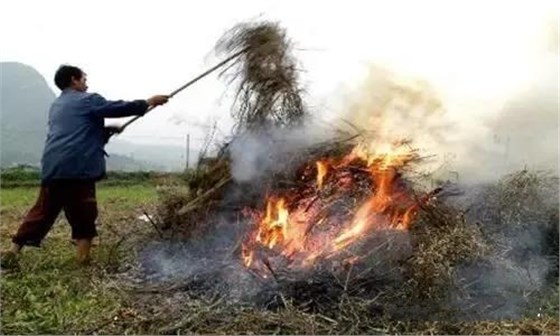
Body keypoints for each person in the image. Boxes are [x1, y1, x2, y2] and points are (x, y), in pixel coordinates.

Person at [1, 65, 169, 269]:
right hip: (77, 169)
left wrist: (105, 131)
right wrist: (148, 102)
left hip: (53, 168)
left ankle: (12, 253)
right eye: (84, 79)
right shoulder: (88, 100)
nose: (86, 83)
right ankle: (83, 261)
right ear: (74, 80)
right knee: (85, 213)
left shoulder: (57, 105)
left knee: (42, 211)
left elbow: (76, 133)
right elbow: (116, 108)